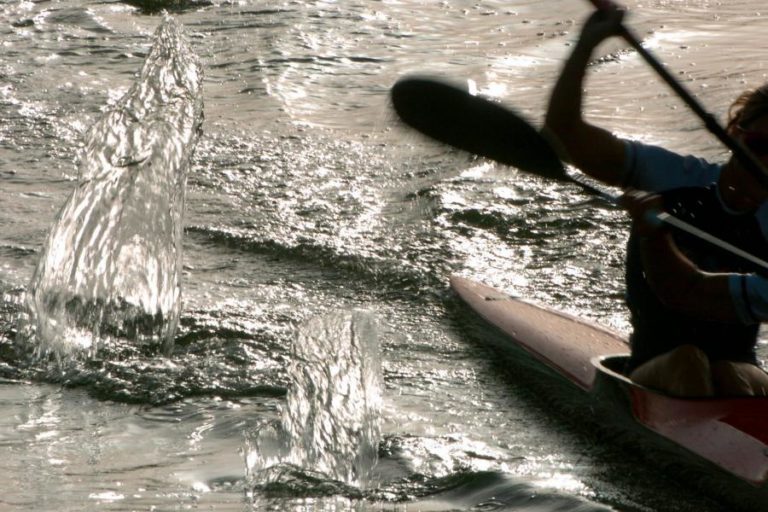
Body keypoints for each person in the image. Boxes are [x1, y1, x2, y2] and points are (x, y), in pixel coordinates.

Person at [543, 6, 768, 397]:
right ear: (734, 132)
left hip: (741, 366)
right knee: (690, 362)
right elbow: (564, 135)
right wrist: (585, 46)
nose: (765, 162)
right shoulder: (670, 177)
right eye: (760, 145)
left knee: (733, 376)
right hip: (657, 361)